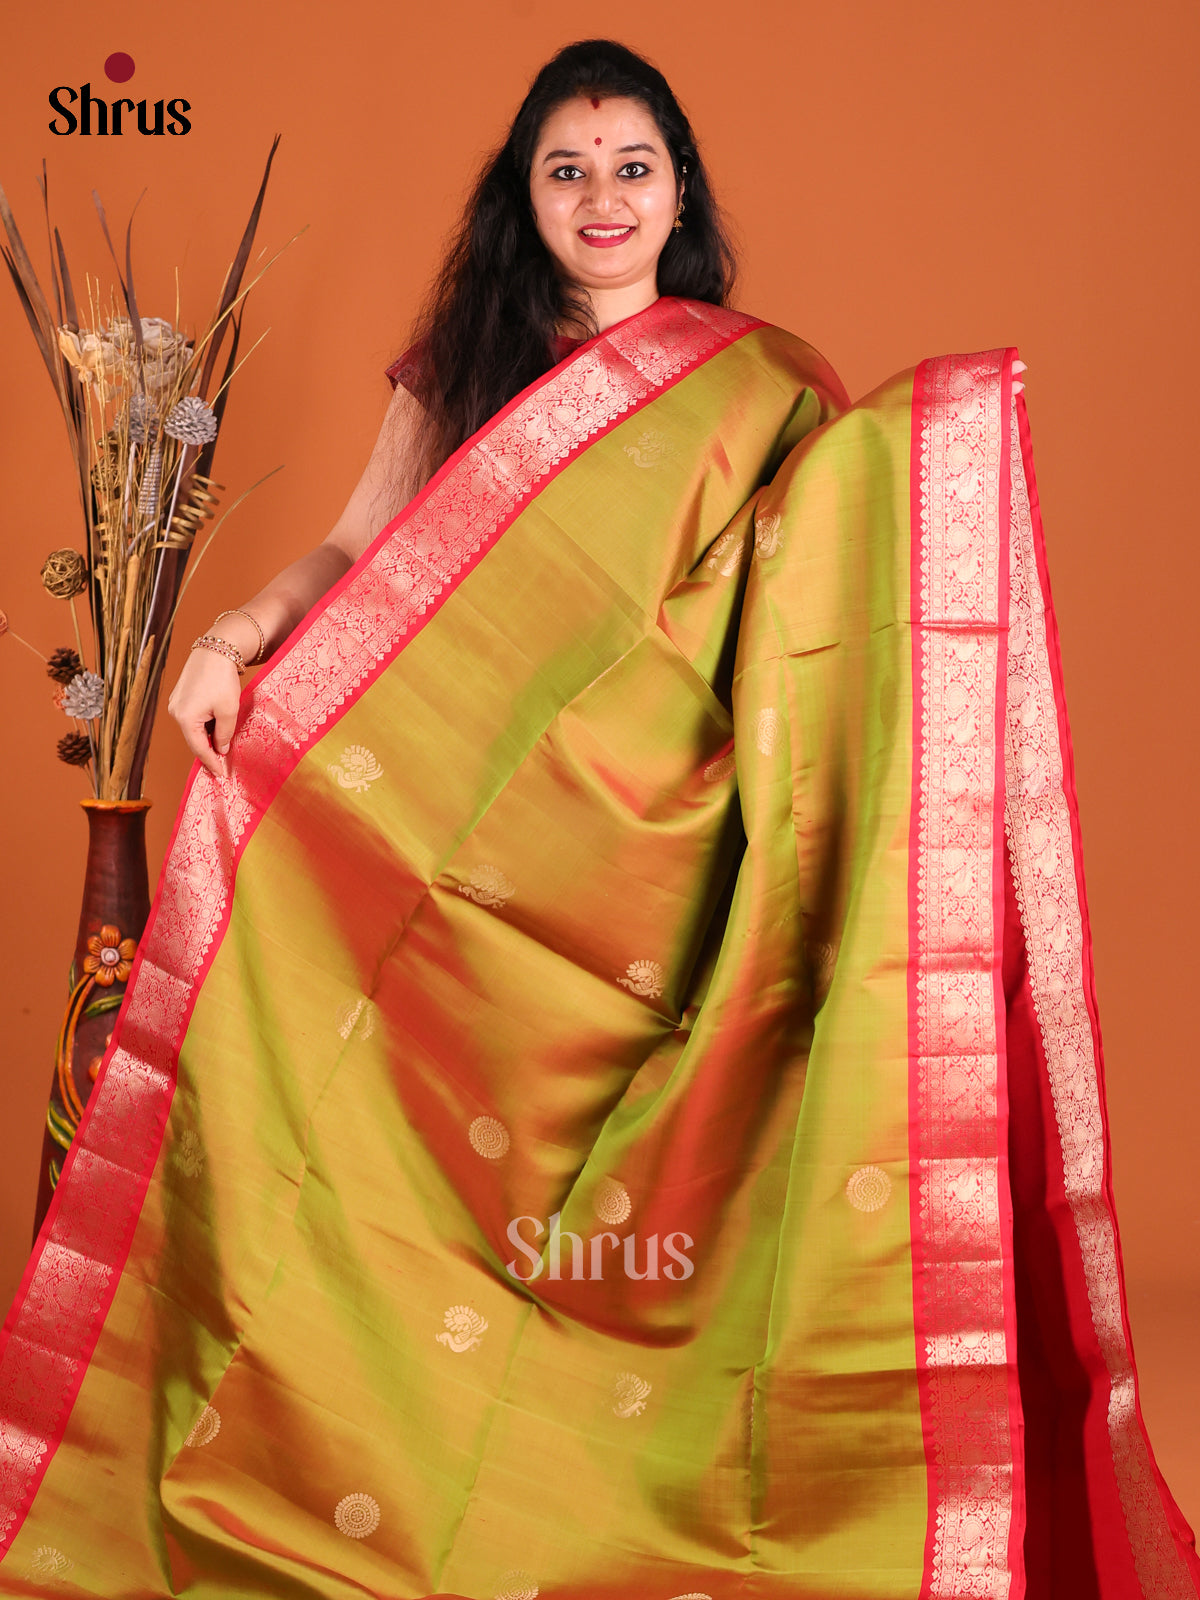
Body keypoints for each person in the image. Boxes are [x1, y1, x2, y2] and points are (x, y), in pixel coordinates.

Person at [0, 37, 1195, 1600]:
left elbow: (810, 603)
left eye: (631, 167)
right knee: (277, 914)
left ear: (678, 189)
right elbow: (357, 554)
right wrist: (230, 644)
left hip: (652, 865)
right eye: (567, 170)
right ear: (527, 196)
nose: (602, 197)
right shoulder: (467, 361)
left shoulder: (759, 383)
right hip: (452, 831)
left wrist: (932, 455)